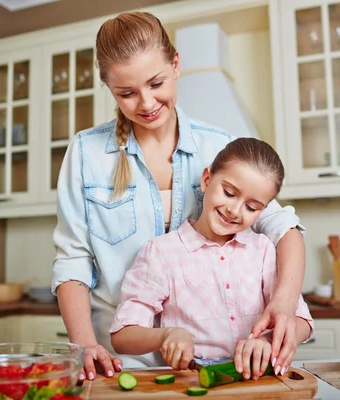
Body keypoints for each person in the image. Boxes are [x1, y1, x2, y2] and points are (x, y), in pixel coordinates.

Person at [51, 11, 307, 381]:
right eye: (127, 93)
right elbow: (73, 261)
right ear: (108, 88)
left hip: (207, 362)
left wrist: (284, 303)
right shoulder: (86, 154)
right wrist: (86, 345)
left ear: (176, 65)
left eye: (156, 83)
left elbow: (284, 228)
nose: (146, 103)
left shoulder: (217, 146)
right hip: (121, 358)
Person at [110, 138, 314, 380]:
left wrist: (268, 341)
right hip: (191, 385)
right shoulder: (161, 253)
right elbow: (122, 336)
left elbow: (302, 322)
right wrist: (166, 335)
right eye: (229, 193)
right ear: (207, 180)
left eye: (252, 207)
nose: (235, 210)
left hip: (257, 385)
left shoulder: (264, 251)